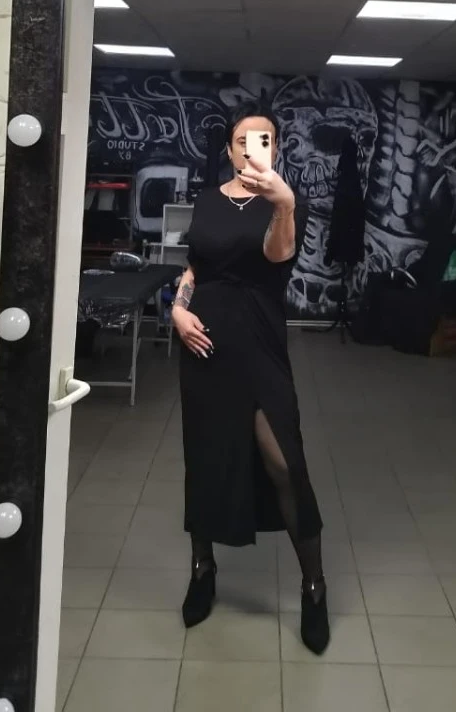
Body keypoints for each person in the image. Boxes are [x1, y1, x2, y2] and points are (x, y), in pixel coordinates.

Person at [170, 102, 329, 654]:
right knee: (205, 454)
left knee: (284, 461)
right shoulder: (208, 200)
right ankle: (202, 567)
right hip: (204, 343)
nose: (250, 147)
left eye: (263, 139)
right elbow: (196, 265)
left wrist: (283, 204)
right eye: (242, 140)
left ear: (275, 149)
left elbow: (277, 257)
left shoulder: (285, 201)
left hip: (259, 343)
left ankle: (314, 585)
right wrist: (178, 308)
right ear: (229, 149)